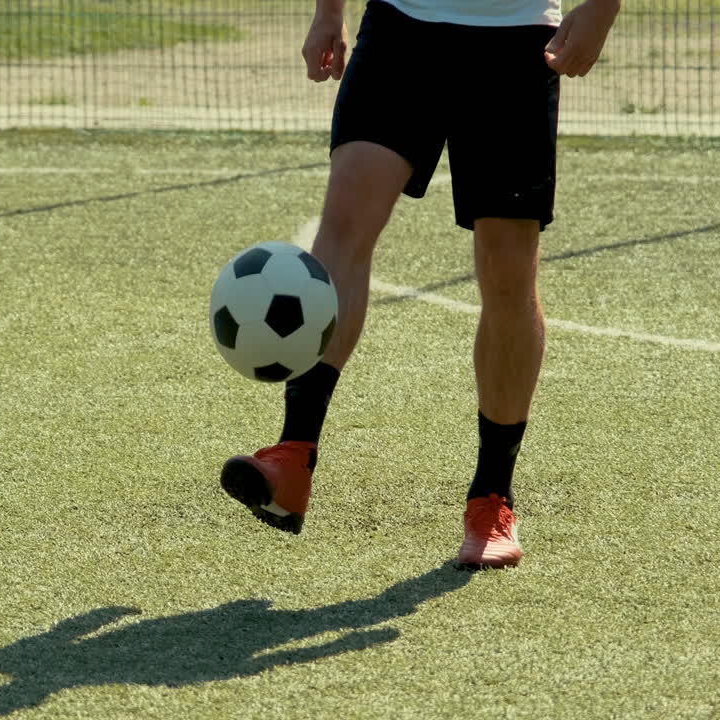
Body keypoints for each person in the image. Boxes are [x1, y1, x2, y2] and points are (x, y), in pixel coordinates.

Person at [219, 0, 620, 568]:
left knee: (508, 271)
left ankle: (491, 499)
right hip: (401, 28)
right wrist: (328, 11)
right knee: (343, 227)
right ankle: (293, 454)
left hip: (517, 38)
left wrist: (605, 6)